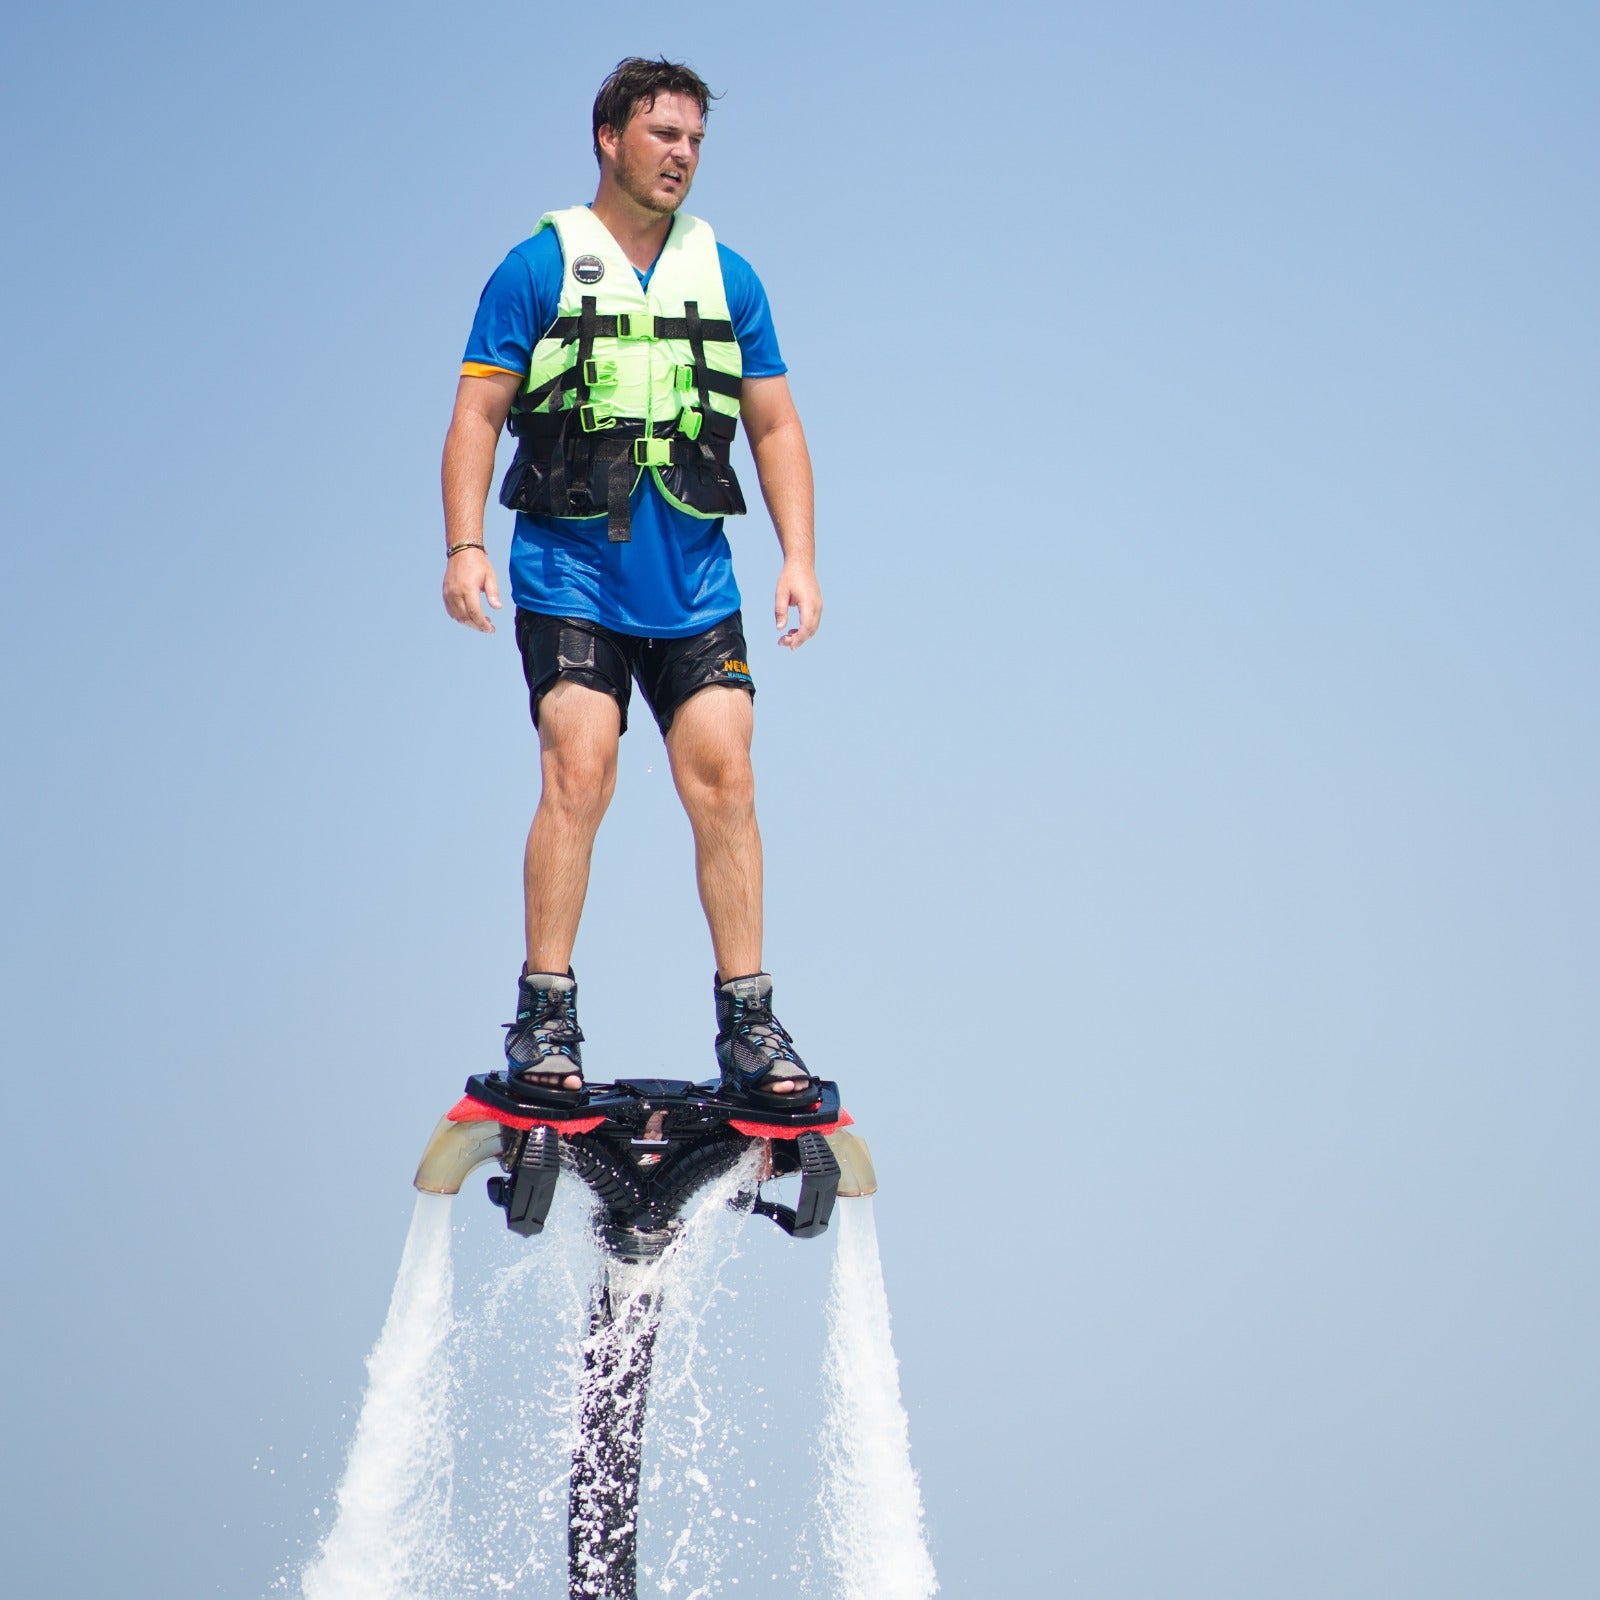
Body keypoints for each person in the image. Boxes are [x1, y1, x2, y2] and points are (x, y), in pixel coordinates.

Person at [440, 57, 822, 1113]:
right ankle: (545, 1018)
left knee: (725, 777)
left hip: (693, 578)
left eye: (695, 139)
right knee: (582, 763)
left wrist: (798, 556)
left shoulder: (729, 277)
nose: (682, 155)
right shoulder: (535, 268)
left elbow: (774, 422)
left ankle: (749, 1023)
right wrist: (463, 545)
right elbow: (475, 414)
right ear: (608, 137)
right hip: (569, 572)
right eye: (663, 134)